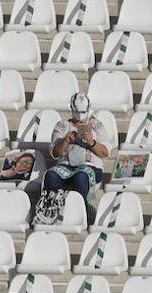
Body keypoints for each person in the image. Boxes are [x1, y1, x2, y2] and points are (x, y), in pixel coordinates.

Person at [43, 93, 109, 222]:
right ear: (72, 109)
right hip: (65, 166)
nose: (80, 115)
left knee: (81, 177)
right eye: (77, 112)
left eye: (83, 112)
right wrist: (65, 141)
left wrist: (92, 143)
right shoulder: (62, 126)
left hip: (90, 166)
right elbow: (55, 154)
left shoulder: (97, 126)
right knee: (50, 176)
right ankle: (52, 212)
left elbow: (105, 153)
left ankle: (82, 214)